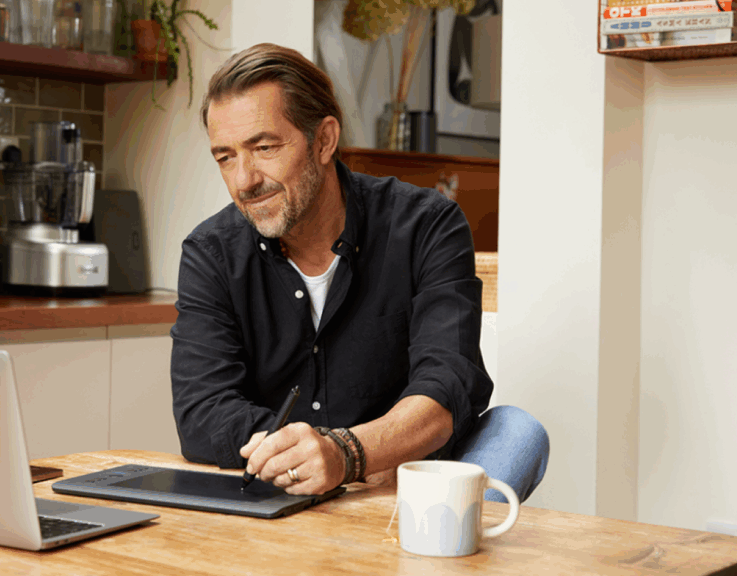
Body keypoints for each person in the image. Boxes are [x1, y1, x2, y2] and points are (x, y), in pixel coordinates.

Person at [170, 43, 549, 500]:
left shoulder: (428, 224)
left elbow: (448, 382)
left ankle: (431, 559)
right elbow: (203, 412)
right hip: (290, 488)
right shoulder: (211, 252)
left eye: (264, 147)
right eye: (225, 157)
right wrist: (316, 456)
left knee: (517, 432)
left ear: (325, 140)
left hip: (407, 486)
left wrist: (353, 452)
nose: (244, 179)